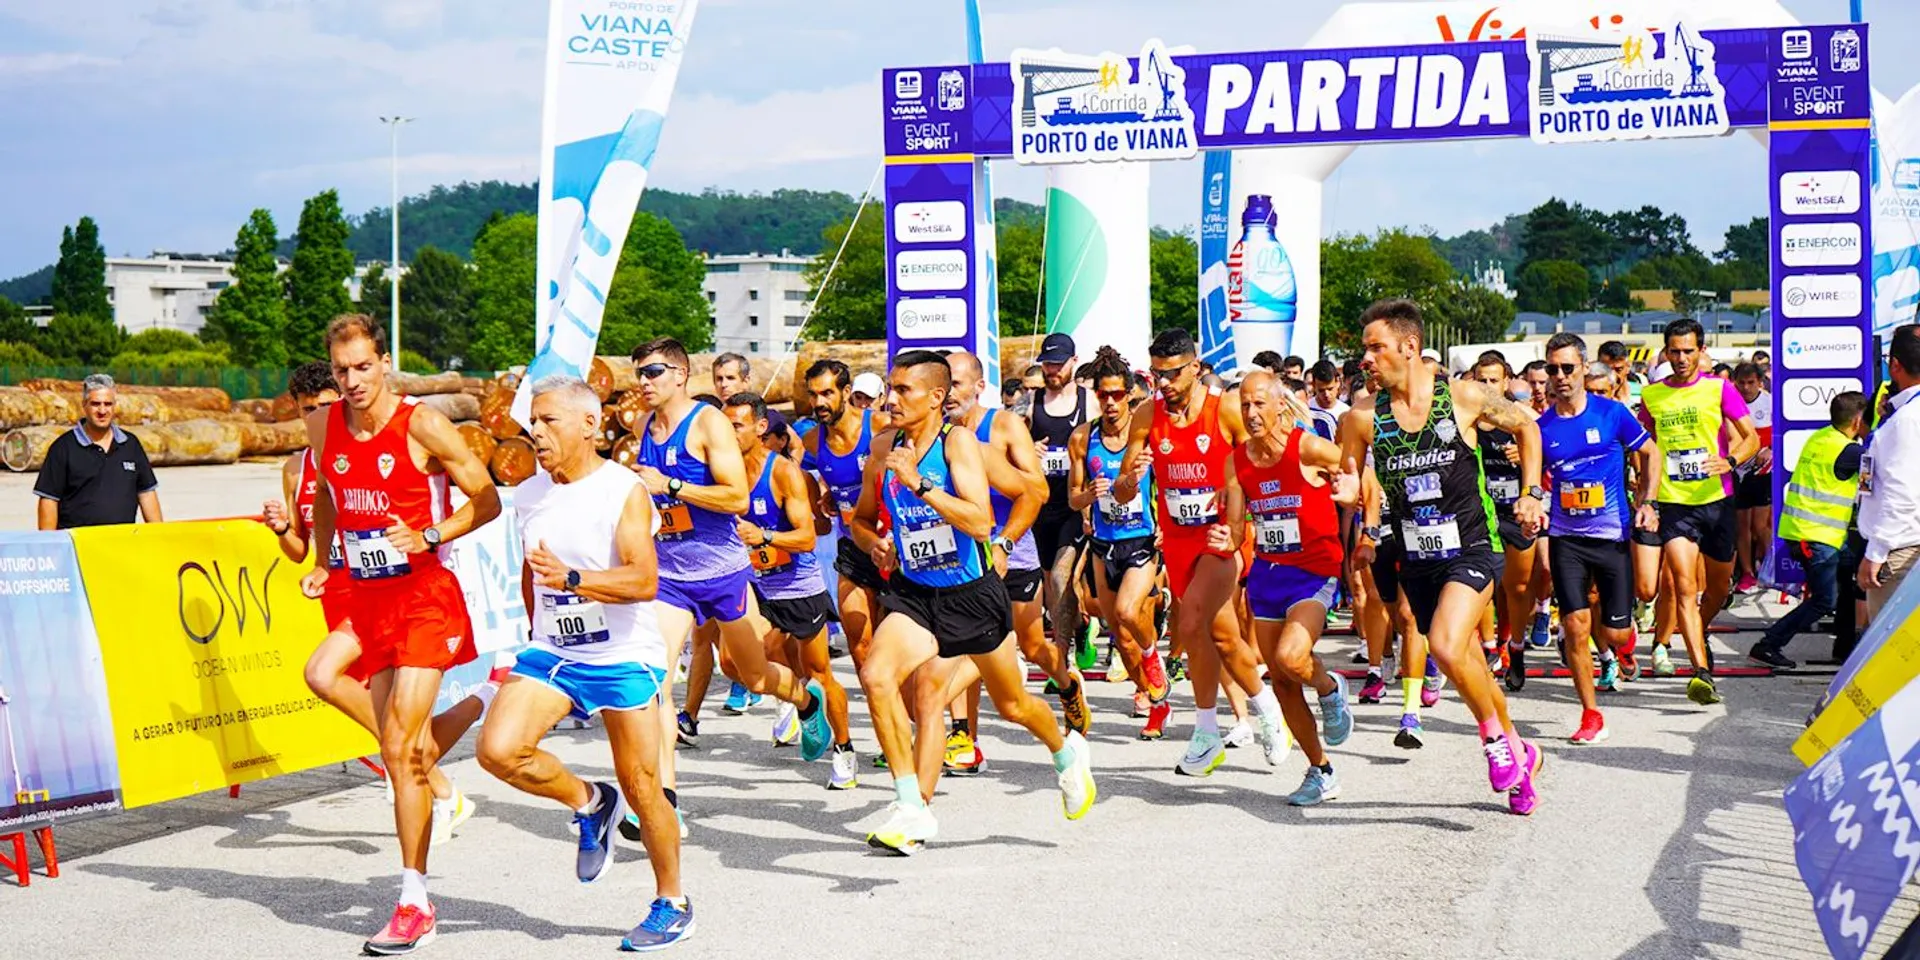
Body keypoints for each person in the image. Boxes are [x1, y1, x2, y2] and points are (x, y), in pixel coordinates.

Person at [301, 314, 502, 954]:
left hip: (423, 599)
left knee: (397, 745)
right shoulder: (324, 424)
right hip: (368, 598)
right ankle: (476, 713)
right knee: (355, 708)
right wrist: (326, 558)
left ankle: (413, 900)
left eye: (363, 367)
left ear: (384, 362)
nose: (353, 381)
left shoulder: (422, 423)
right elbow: (330, 494)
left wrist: (431, 535)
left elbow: (487, 498)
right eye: (342, 371)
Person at [476, 375, 691, 952]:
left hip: (622, 654)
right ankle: (589, 803)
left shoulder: (623, 491)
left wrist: (575, 580)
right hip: (556, 651)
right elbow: (530, 571)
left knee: (644, 787)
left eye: (548, 421)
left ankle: (672, 901)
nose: (535, 432)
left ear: (590, 424)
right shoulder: (528, 494)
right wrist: (538, 620)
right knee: (497, 750)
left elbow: (644, 580)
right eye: (532, 422)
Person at [848, 350, 1094, 853]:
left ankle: (1067, 754)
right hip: (916, 592)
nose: (891, 400)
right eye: (890, 390)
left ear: (936, 397)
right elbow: (862, 518)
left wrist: (923, 485)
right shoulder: (882, 447)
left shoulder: (958, 444)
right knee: (878, 677)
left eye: (902, 390)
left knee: (1014, 704)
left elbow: (983, 520)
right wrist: (875, 540)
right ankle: (911, 806)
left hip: (971, 595)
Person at [262, 360, 486, 847]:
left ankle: (436, 780)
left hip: (391, 592)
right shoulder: (296, 466)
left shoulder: (384, 434)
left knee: (330, 678)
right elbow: (302, 543)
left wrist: (426, 536)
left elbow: (468, 496)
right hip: (344, 592)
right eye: (308, 410)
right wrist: (300, 546)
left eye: (326, 405)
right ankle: (445, 764)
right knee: (393, 723)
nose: (319, 415)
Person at [1343, 299, 1547, 816]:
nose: (1367, 357)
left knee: (1445, 644)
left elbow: (1527, 427)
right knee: (1467, 663)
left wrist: (1530, 492)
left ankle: (1494, 744)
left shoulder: (1462, 396)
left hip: (1474, 548)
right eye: (1364, 348)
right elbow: (1350, 476)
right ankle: (1522, 758)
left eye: (1376, 347)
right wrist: (1345, 489)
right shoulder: (1362, 419)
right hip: (1417, 559)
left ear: (1409, 347)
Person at [630, 337, 831, 829]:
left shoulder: (709, 423)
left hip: (724, 572)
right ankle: (664, 802)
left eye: (653, 372)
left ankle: (807, 700)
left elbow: (736, 496)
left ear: (680, 374)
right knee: (655, 681)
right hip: (671, 576)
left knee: (753, 673)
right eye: (638, 374)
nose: (643, 383)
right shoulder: (643, 427)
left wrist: (672, 486)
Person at [1115, 329, 1293, 776]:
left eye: (1173, 374)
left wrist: (1237, 504)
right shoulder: (1145, 416)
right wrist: (1129, 479)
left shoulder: (1227, 409)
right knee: (1223, 637)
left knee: (1190, 618)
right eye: (1157, 375)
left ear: (1195, 367)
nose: (1164, 384)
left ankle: (1205, 731)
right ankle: (1268, 712)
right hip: (1178, 541)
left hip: (1223, 538)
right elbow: (1120, 493)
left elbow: (1268, 458)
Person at [943, 350, 1087, 774]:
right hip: (961, 561)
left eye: (957, 384)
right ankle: (963, 737)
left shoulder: (1003, 426)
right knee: (960, 644)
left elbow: (1037, 489)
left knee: (1032, 646)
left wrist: (988, 466)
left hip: (1012, 553)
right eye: (944, 385)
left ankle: (1066, 685)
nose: (950, 394)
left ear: (978, 386)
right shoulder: (936, 434)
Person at [1224, 370, 1358, 805]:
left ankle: (1329, 688)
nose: (1251, 412)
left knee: (1290, 657)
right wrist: (1222, 537)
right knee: (1281, 681)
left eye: (1259, 403)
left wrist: (1363, 517)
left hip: (1315, 571)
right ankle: (1321, 770)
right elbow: (1233, 526)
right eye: (1245, 404)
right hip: (1268, 574)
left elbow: (1360, 477)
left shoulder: (1308, 446)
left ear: (1280, 404)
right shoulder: (1238, 460)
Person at [717, 391, 857, 787]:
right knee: (733, 664)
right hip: (752, 585)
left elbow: (807, 538)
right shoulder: (721, 474)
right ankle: (805, 705)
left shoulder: (783, 473)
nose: (728, 433)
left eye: (736, 425)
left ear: (761, 428)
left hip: (796, 585)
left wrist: (761, 536)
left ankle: (845, 750)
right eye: (724, 426)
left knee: (817, 671)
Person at [1534, 337, 1661, 744]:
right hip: (1566, 538)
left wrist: (1648, 500)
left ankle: (1623, 646)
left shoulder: (1612, 413)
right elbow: (1534, 481)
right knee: (1575, 625)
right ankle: (1590, 713)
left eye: (1567, 368)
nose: (1559, 377)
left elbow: (1651, 453)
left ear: (1584, 368)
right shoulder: (1541, 428)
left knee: (1617, 632)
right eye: (1553, 369)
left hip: (1611, 536)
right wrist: (1532, 500)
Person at [1632, 318, 1760, 703]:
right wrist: (1646, 495)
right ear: (1666, 352)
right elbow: (1645, 447)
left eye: (1689, 350)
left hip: (1717, 502)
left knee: (1718, 587)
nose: (1682, 358)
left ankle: (1697, 631)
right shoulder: (1653, 396)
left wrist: (1731, 460)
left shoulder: (1719, 389)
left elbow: (1751, 438)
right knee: (1684, 586)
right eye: (1675, 351)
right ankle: (1701, 671)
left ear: (1701, 350)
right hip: (1675, 505)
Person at [1069, 347, 1173, 740]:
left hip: (1142, 541)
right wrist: (1089, 497)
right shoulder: (1084, 438)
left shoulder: (1145, 433)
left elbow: (1169, 481)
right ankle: (1152, 699)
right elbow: (1072, 498)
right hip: (1104, 545)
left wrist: (1167, 522)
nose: (1110, 403)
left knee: (1130, 613)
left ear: (1130, 393)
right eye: (1103, 395)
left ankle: (1155, 664)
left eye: (1117, 395)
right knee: (1120, 635)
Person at [1753, 391, 1868, 668]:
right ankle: (1768, 644)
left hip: (1807, 531)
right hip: (1818, 536)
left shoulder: (1821, 437)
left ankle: (1843, 649)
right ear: (1856, 421)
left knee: (1851, 579)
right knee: (1823, 601)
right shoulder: (1850, 451)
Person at [804, 359, 889, 671]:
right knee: (859, 639)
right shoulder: (813, 440)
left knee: (894, 638)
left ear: (847, 392)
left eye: (827, 393)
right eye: (813, 395)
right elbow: (822, 480)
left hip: (892, 542)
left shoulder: (880, 425)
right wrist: (828, 495)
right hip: (852, 544)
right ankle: (881, 710)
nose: (819, 403)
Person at [1028, 333, 1103, 674]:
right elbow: (1010, 449)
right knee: (1050, 585)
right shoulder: (1031, 404)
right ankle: (1079, 628)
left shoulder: (1091, 402)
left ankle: (1062, 659)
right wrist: (1029, 451)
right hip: (1041, 506)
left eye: (1058, 364)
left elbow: (1109, 446)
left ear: (1074, 362)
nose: (1052, 370)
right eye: (1047, 364)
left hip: (1077, 505)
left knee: (1061, 576)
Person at [1467, 354, 1544, 672]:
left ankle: (1514, 643)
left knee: (1517, 587)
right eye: (1481, 380)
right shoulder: (1466, 417)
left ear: (1507, 381)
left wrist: (1523, 458)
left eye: (1494, 380)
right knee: (1483, 584)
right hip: (1482, 511)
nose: (1487, 387)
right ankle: (1489, 647)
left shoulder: (1525, 417)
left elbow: (1545, 456)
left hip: (1516, 511)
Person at [33, 374, 162, 529]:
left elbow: (146, 493)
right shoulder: (63, 448)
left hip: (121, 544)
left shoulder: (130, 445)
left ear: (115, 406)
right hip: (78, 546)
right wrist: (50, 546)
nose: (102, 410)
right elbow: (49, 500)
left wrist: (158, 537)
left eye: (108, 404)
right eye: (95, 404)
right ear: (84, 405)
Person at [1859, 325, 1920, 624]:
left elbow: (1903, 493)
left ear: (1895, 365)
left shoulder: (1908, 419)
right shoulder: (1902, 413)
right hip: (1905, 544)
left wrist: (1876, 551)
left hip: (1900, 549)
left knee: (1890, 656)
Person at [1731, 362, 1775, 594]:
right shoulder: (1730, 402)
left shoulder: (1769, 402)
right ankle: (1747, 573)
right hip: (1738, 471)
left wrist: (1769, 451)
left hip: (1764, 471)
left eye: (1751, 383)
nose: (1746, 388)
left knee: (1760, 525)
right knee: (1742, 527)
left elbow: (1780, 432)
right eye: (1742, 383)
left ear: (1760, 382)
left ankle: (1771, 568)